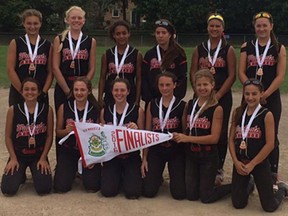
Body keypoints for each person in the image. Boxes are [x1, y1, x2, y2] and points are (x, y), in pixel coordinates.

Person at [238, 12, 286, 189]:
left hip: (270, 98)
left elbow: (280, 75)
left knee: (271, 135)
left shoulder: (278, 47)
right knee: (247, 132)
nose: (262, 28)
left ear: (271, 26)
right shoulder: (246, 46)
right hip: (250, 98)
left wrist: (264, 94)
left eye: (265, 25)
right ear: (254, 27)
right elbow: (241, 72)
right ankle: (247, 169)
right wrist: (252, 91)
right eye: (258, 25)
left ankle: (272, 174)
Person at [190, 13, 236, 185]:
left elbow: (231, 76)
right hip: (202, 95)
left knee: (221, 132)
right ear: (207, 28)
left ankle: (218, 168)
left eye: (218, 26)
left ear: (222, 28)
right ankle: (200, 163)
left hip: (221, 96)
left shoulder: (228, 49)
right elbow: (193, 72)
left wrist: (217, 95)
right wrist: (200, 92)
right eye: (212, 26)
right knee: (201, 128)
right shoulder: (199, 48)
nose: (214, 29)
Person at [229, 78, 287, 212]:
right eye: (247, 94)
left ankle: (282, 190)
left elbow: (270, 144)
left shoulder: (266, 115)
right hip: (241, 162)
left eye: (254, 94)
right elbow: (231, 140)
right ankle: (249, 184)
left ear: (261, 94)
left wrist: (253, 164)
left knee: (269, 206)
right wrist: (236, 162)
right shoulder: (237, 112)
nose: (250, 97)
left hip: (259, 163)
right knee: (238, 203)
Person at [173, 69, 231, 203]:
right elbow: (185, 128)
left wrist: (187, 138)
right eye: (199, 85)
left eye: (205, 85)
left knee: (206, 197)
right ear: (194, 86)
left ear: (212, 85)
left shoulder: (217, 108)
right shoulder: (190, 104)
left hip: (208, 156)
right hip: (191, 155)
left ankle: (236, 187)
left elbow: (214, 138)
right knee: (191, 195)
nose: (202, 88)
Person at [1, 78, 54, 195]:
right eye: (26, 89)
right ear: (21, 92)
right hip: (19, 154)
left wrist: (43, 158)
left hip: (38, 154)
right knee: (8, 189)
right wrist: (13, 158)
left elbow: (49, 136)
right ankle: (20, 173)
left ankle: (34, 171)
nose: (30, 92)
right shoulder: (13, 109)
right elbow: (8, 137)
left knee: (44, 189)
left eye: (33, 89)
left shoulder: (47, 109)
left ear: (39, 92)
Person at [141, 72, 186, 200]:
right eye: (161, 85)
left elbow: (184, 133)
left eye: (168, 85)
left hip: (175, 151)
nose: (164, 88)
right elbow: (147, 132)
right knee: (148, 192)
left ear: (175, 85)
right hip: (156, 150)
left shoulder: (182, 105)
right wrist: (144, 158)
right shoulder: (152, 103)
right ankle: (156, 177)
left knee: (179, 194)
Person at [54, 76, 101, 193]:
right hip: (69, 150)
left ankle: (84, 173)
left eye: (82, 90)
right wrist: (67, 131)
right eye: (76, 90)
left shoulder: (96, 108)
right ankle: (71, 170)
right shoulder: (64, 107)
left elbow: (101, 134)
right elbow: (58, 132)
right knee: (60, 187)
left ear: (89, 91)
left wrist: (94, 157)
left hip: (88, 151)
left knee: (93, 187)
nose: (79, 93)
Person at [100, 78, 144, 199]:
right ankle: (117, 176)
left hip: (131, 156)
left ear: (128, 91)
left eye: (122, 90)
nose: (119, 93)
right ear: (112, 91)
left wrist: (137, 129)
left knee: (133, 194)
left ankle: (126, 176)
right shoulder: (105, 111)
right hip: (112, 156)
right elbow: (101, 137)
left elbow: (144, 136)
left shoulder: (137, 110)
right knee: (108, 192)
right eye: (116, 90)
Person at [52, 5, 96, 112]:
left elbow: (92, 68)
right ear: (67, 20)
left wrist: (84, 88)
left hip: (82, 88)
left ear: (84, 20)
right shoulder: (59, 39)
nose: (76, 20)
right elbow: (55, 67)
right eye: (73, 18)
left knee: (85, 120)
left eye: (79, 18)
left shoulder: (90, 41)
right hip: (64, 86)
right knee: (64, 122)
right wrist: (67, 91)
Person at [7, 9, 53, 106]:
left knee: (40, 120)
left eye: (35, 23)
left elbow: (50, 71)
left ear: (40, 23)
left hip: (40, 93)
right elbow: (10, 70)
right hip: (19, 92)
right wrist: (22, 91)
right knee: (19, 120)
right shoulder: (16, 43)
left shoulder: (47, 45)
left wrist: (43, 92)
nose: (32, 26)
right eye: (29, 23)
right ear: (23, 23)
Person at [142, 19, 187, 108]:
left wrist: (175, 97)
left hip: (172, 101)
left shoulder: (178, 54)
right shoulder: (149, 54)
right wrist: (149, 98)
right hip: (153, 100)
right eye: (158, 33)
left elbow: (182, 78)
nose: (160, 36)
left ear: (170, 35)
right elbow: (144, 77)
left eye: (164, 33)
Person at [98, 20, 142, 107]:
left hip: (129, 95)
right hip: (111, 94)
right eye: (118, 34)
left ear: (129, 34)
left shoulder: (136, 54)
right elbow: (102, 77)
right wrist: (99, 97)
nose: (121, 36)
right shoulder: (107, 54)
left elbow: (139, 79)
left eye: (124, 33)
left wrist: (137, 99)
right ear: (113, 35)